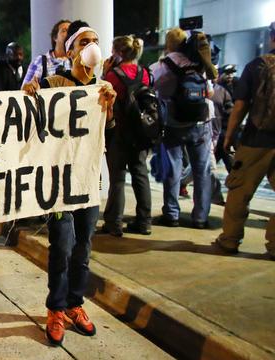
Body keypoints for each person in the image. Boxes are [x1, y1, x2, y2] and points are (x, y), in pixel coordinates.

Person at [23, 20, 116, 347]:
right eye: (84, 41)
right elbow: (28, 117)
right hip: (61, 183)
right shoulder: (53, 82)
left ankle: (76, 304)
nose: (91, 45)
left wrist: (110, 104)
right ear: (71, 50)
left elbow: (107, 131)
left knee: (83, 248)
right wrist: (29, 94)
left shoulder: (101, 88)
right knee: (62, 246)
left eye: (95, 40)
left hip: (89, 179)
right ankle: (56, 309)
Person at [215, 21, 275, 259]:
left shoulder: (257, 66)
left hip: (255, 140)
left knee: (240, 191)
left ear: (271, 37)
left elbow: (241, 106)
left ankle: (229, 240)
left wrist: (228, 137)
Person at [153, 28, 212, 229]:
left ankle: (172, 214)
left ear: (168, 44)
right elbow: (209, 91)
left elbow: (154, 90)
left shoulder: (161, 67)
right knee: (202, 170)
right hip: (200, 123)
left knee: (173, 169)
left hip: (173, 124)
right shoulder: (199, 65)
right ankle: (200, 217)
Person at [100, 35, 152, 236]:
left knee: (118, 178)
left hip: (119, 132)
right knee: (141, 175)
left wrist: (105, 72)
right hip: (140, 132)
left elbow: (104, 97)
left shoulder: (113, 75)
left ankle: (114, 223)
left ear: (119, 53)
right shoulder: (144, 73)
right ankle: (144, 221)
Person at [22, 19, 72, 86]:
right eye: (64, 30)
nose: (68, 34)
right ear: (55, 37)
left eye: (71, 31)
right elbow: (24, 90)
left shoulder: (76, 61)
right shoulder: (40, 61)